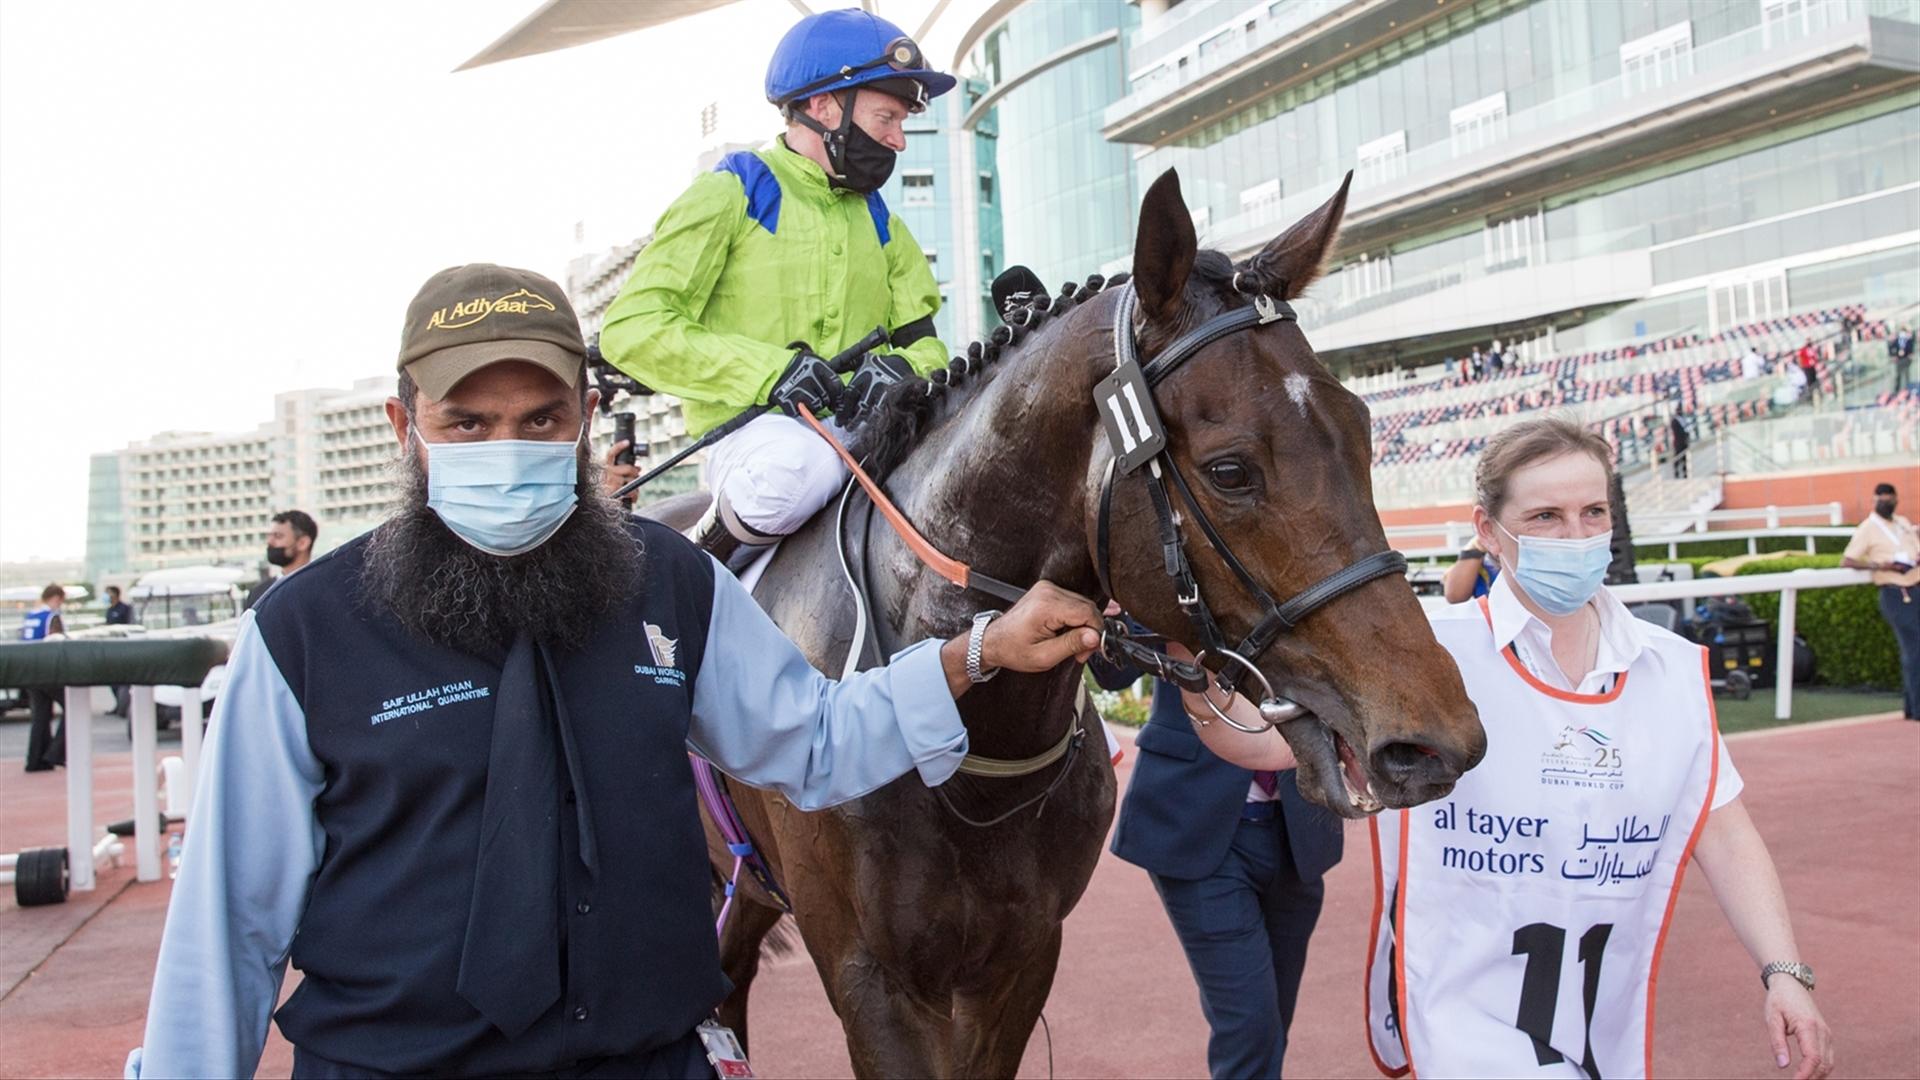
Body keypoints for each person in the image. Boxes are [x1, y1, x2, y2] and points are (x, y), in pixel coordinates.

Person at [127, 262, 1104, 1078]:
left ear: (587, 417)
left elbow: (813, 741)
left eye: (541, 419)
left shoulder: (671, 582)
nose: (507, 449)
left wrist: (978, 653)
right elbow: (228, 927)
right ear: (403, 424)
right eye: (467, 424)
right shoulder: (301, 635)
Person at [1184, 419, 1834, 1079]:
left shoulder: (1668, 671)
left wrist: (1785, 973)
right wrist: (1188, 657)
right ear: (1488, 530)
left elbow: (1723, 832)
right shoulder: (1424, 654)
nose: (1576, 535)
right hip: (1458, 1025)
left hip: (1597, 1034)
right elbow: (1263, 745)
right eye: (1546, 516)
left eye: (1593, 512)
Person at [598, 8, 954, 560]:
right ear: (824, 106)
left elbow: (926, 343)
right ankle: (690, 573)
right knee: (797, 466)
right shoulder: (732, 191)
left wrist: (907, 368)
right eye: (887, 118)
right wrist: (772, 374)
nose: (899, 140)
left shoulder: (885, 223)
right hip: (752, 443)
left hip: (862, 433)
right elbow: (632, 328)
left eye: (901, 122)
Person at [1094, 656, 1340, 1079]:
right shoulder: (1176, 589)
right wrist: (1111, 605)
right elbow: (1112, 674)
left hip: (1298, 831)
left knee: (1273, 1025)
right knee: (1250, 1028)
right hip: (1197, 825)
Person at [1842, 482, 1919, 722]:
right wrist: (1882, 565)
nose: (1888, 502)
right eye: (1883, 499)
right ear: (1875, 500)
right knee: (1914, 649)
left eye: (1891, 498)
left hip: (1915, 587)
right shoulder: (1867, 528)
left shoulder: (1903, 523)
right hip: (1894, 592)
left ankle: (1911, 706)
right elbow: (1848, 560)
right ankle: (1917, 708)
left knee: (1915, 650)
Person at [19, 584, 67, 771]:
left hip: (29, 669)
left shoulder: (31, 616)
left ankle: (35, 760)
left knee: (40, 715)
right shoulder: (52, 616)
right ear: (56, 598)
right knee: (73, 707)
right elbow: (57, 640)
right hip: (47, 670)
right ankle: (56, 752)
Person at [245, 509, 318, 611]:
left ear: (303, 543)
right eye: (269, 536)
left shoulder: (322, 587)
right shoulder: (259, 593)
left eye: (278, 536)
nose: (270, 542)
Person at [105, 585, 136, 717]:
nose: (106, 596)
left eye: (108, 593)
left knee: (122, 681)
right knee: (112, 680)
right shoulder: (109, 610)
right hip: (111, 647)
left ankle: (124, 705)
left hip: (123, 647)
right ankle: (118, 704)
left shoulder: (125, 609)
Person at [1891, 323, 1915, 393]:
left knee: (1907, 374)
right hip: (1899, 359)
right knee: (1898, 375)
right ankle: (1897, 391)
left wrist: (1909, 354)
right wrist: (1894, 355)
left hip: (1906, 359)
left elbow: (1911, 348)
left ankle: (1908, 390)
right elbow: (1892, 347)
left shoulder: (1909, 340)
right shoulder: (1897, 340)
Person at [1668, 408, 1691, 478]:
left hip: (1683, 442)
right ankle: (1676, 473)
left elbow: (1687, 429)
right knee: (1677, 458)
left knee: (1684, 458)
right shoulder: (1674, 421)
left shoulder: (1683, 420)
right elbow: (1677, 431)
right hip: (1678, 442)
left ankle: (1685, 474)